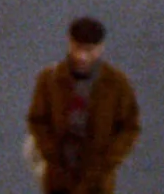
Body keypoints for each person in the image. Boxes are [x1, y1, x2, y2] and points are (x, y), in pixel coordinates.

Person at [26, 16, 141, 194]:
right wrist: (51, 154)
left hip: (97, 182)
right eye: (77, 48)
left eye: (89, 50)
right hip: (58, 179)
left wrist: (108, 162)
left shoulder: (117, 84)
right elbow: (37, 120)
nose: (82, 56)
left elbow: (129, 127)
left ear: (101, 48)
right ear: (69, 43)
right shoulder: (50, 80)